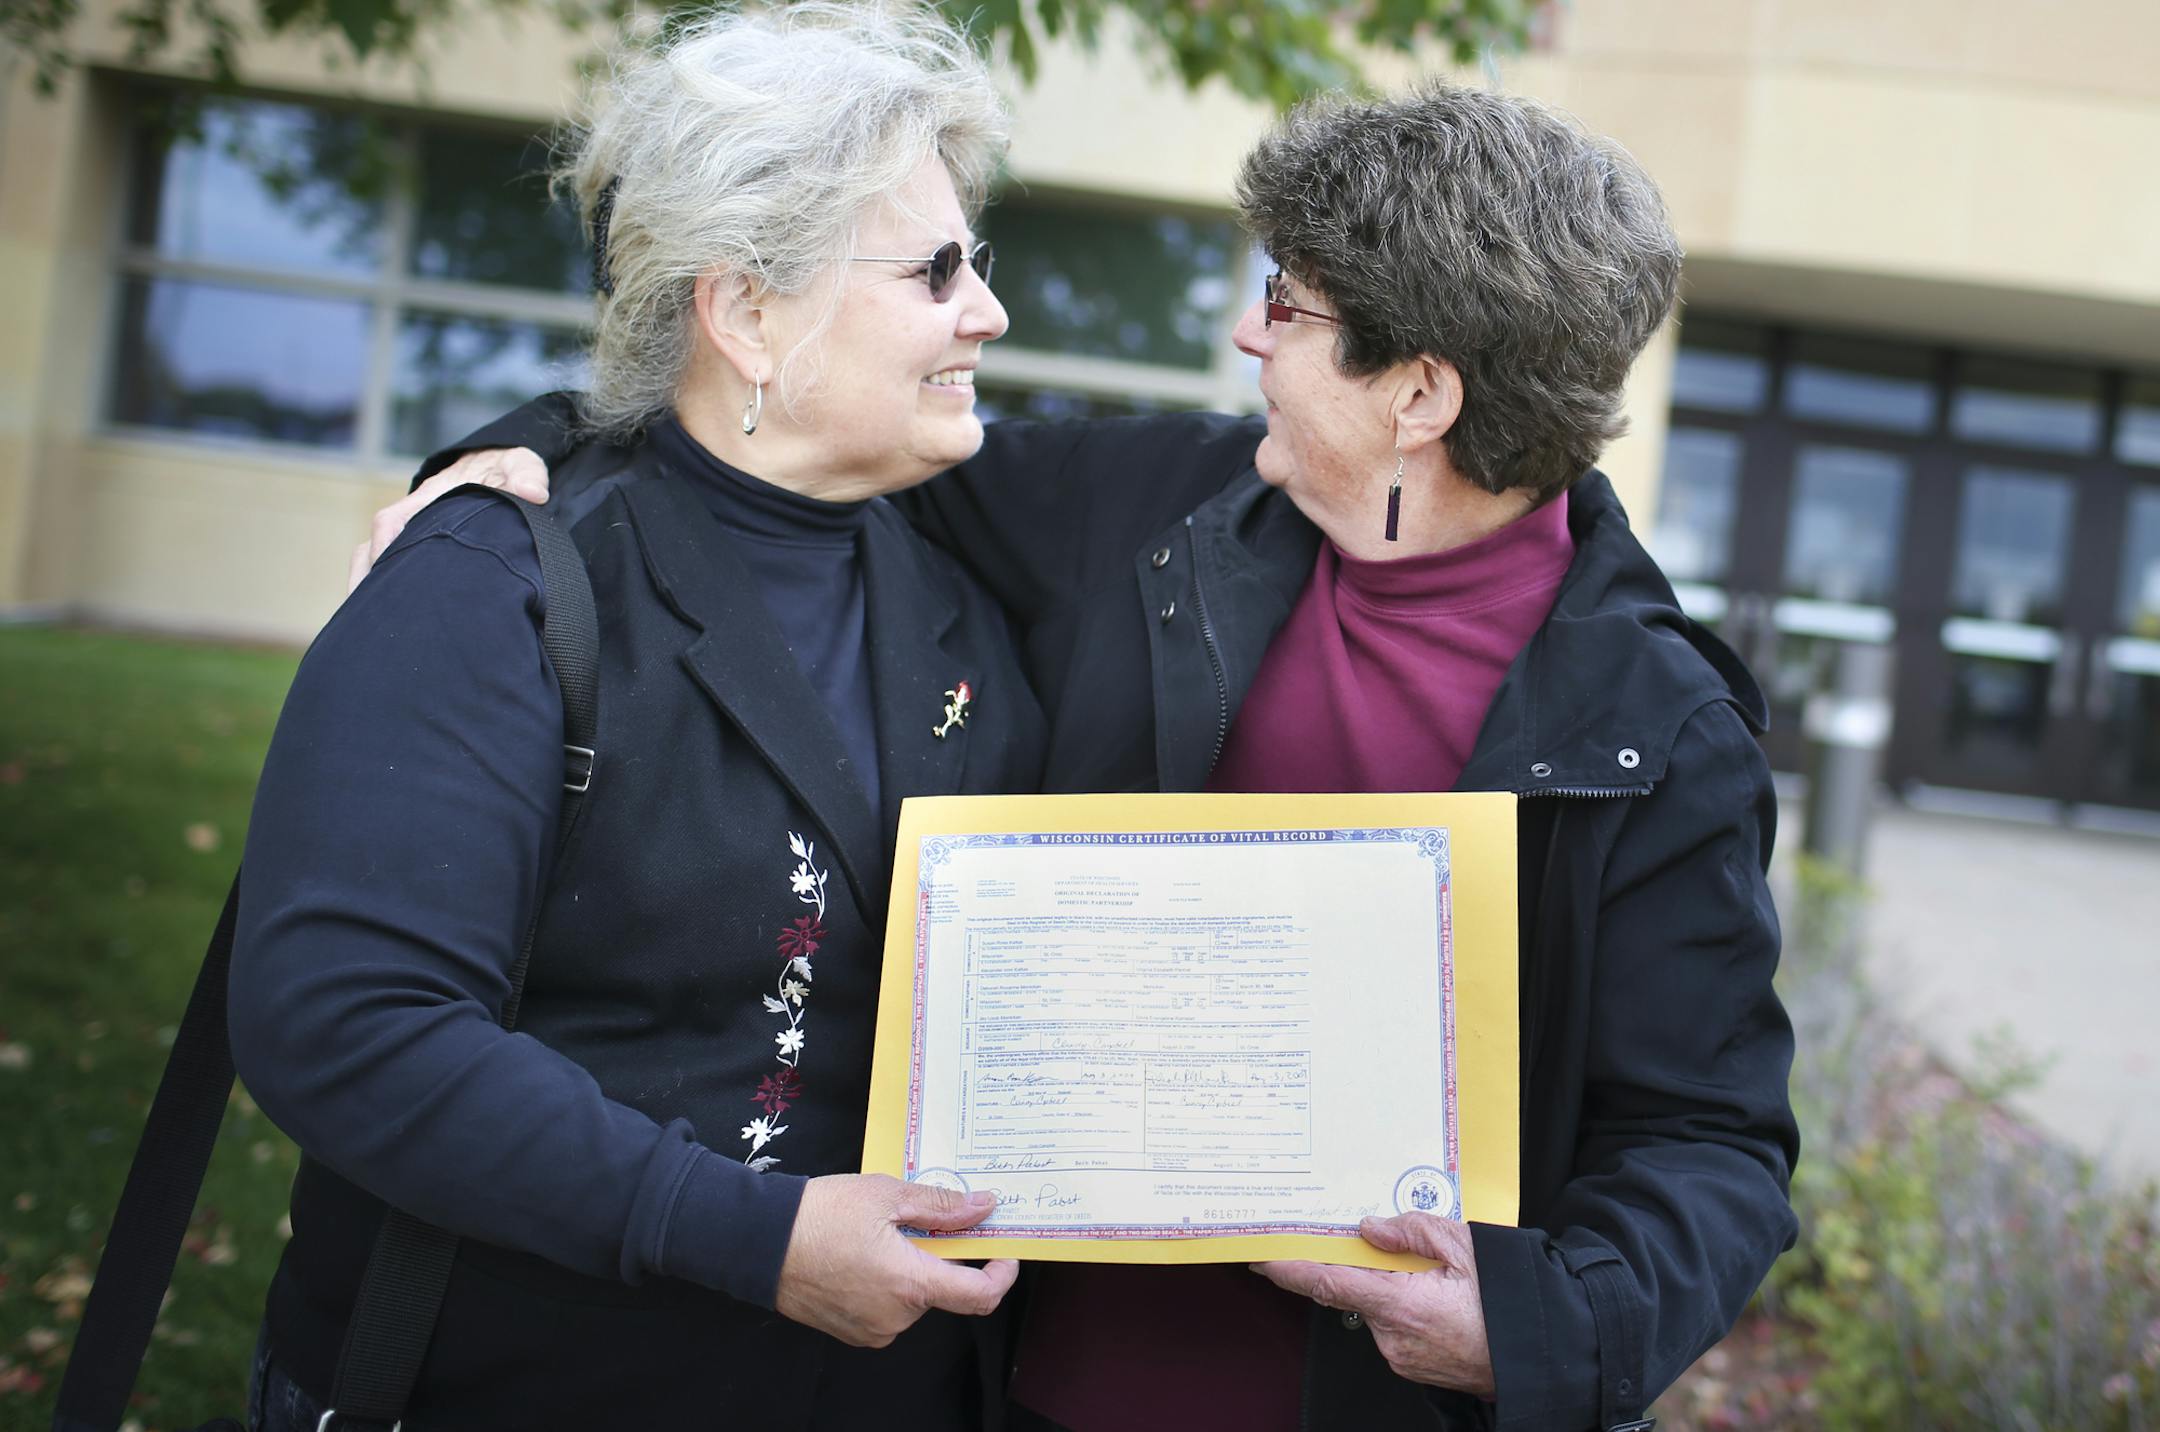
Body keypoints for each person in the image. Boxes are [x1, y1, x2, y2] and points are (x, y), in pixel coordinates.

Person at [387, 81, 1798, 1432]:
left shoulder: (1659, 732)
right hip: (1019, 1390)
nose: (1253, 340)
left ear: (1418, 395)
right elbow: (799, 436)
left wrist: (1542, 1327)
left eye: (1287, 309)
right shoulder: (1155, 508)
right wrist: (520, 457)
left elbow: (1709, 1143)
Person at [228, 7, 1047, 1429]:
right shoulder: (496, 579)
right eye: (935, 269)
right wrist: (753, 1240)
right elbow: (346, 1023)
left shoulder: (967, 602)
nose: (987, 311)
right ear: (745, 311)